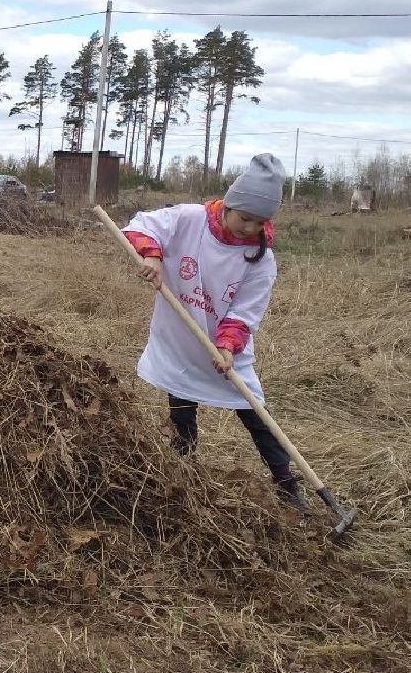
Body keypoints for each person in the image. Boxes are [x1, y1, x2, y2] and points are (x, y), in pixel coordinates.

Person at [121, 153, 303, 507]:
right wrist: (153, 255)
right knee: (181, 398)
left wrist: (227, 347)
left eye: (259, 222)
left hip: (224, 348)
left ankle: (287, 484)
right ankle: (183, 470)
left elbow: (245, 312)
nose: (250, 228)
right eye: (244, 218)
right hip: (181, 334)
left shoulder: (261, 260)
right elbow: (143, 225)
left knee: (253, 410)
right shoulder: (190, 219)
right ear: (229, 205)